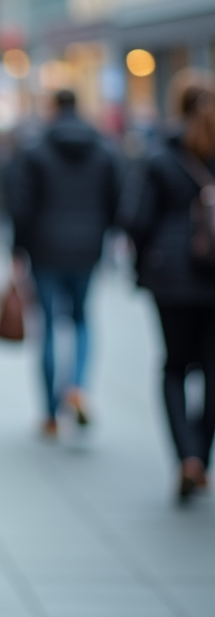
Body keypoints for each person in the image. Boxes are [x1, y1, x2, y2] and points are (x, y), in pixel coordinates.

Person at [119, 72, 215, 503]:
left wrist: (142, 264)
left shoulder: (160, 156)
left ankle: (186, 458)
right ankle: (201, 454)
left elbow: (135, 219)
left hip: (171, 278)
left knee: (175, 366)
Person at [6, 89, 121, 438]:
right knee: (82, 317)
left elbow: (21, 206)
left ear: (54, 108)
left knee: (49, 324)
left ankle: (51, 412)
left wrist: (17, 249)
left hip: (45, 248)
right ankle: (78, 387)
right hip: (87, 248)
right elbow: (116, 200)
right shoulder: (103, 150)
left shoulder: (35, 151)